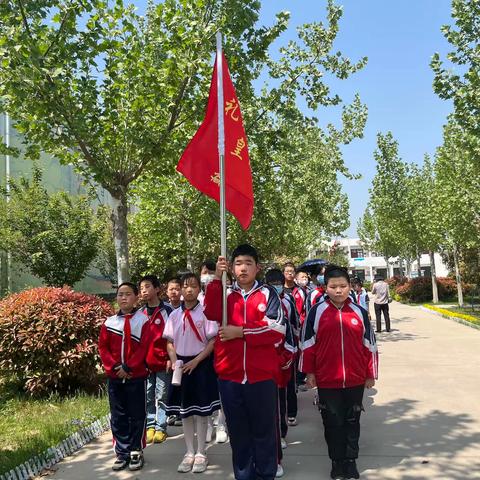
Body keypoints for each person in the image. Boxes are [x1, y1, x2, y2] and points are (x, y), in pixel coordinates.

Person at [204, 244, 286, 480]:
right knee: (239, 434)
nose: (243, 268)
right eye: (238, 263)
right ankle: (244, 475)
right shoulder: (225, 294)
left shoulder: (268, 294)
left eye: (248, 263)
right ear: (231, 267)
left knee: (264, 432)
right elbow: (210, 312)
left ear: (257, 268)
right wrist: (216, 280)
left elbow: (277, 330)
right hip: (229, 376)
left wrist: (241, 332)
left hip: (261, 376)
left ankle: (266, 474)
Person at [300, 265, 378, 480]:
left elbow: (369, 345)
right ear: (325, 288)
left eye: (343, 286)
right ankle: (337, 461)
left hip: (355, 378)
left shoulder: (359, 313)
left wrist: (370, 374)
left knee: (352, 420)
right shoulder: (317, 312)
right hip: (327, 379)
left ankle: (351, 461)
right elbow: (307, 344)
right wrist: (309, 372)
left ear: (349, 287)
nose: (338, 290)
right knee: (332, 422)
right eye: (333, 286)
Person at [164, 272, 221, 474]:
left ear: (199, 289)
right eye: (185, 286)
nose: (189, 290)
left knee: (201, 412)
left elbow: (213, 340)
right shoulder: (173, 315)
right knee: (185, 412)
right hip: (181, 364)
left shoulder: (206, 312)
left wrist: (197, 361)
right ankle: (189, 452)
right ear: (179, 290)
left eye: (194, 286)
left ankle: (201, 452)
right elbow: (169, 341)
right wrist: (174, 362)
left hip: (201, 364)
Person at [98, 282, 150, 472]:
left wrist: (129, 366)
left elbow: (144, 347)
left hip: (135, 376)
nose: (124, 298)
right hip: (115, 377)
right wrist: (114, 367)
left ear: (136, 297)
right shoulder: (109, 322)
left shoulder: (143, 321)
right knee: (118, 416)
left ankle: (136, 450)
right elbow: (103, 348)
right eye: (120, 294)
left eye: (128, 294)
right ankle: (122, 451)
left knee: (137, 414)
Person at [265, 268, 297, 478]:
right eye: (273, 282)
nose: (277, 285)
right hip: (262, 361)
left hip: (283, 357)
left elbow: (294, 328)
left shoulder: (289, 302)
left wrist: (291, 352)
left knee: (280, 399)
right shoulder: (262, 299)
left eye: (279, 282)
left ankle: (282, 433)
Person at [139, 275, 172, 445]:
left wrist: (170, 359)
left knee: (162, 395)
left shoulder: (167, 311)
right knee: (148, 396)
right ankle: (150, 426)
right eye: (141, 288)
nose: (144, 290)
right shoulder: (140, 313)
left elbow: (172, 338)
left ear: (157, 289)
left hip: (163, 362)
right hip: (145, 364)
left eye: (147, 286)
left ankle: (161, 427)